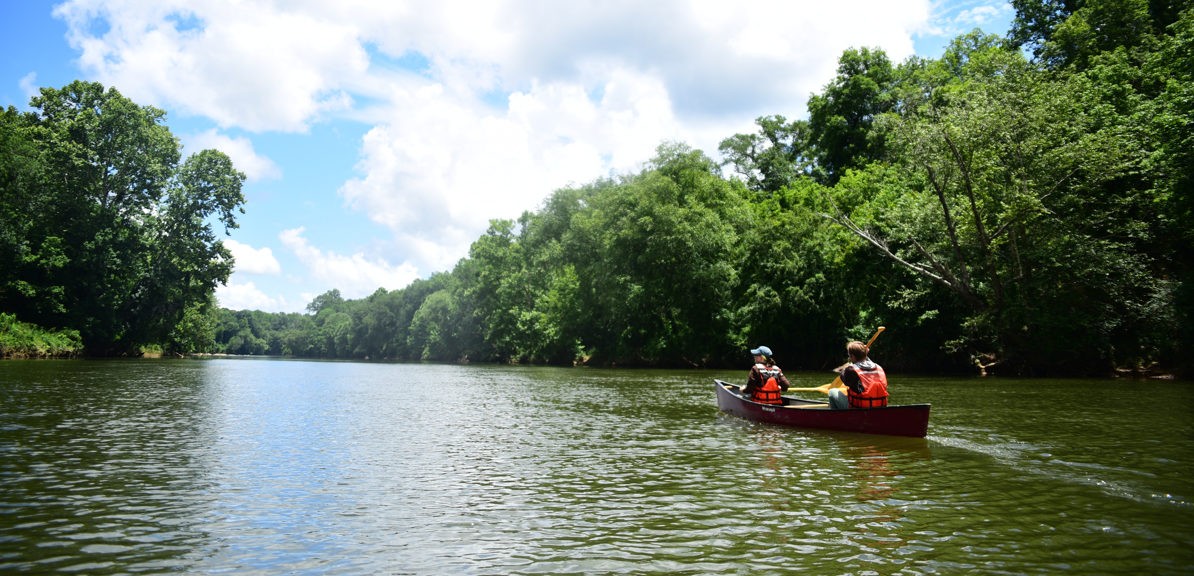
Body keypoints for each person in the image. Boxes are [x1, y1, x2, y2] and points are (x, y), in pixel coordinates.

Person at [828, 340, 888, 409]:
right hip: (880, 407)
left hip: (859, 408)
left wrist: (849, 364)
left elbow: (842, 376)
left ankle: (837, 417)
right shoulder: (879, 368)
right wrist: (864, 354)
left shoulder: (851, 370)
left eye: (849, 356)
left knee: (832, 391)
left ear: (852, 356)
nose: (849, 357)